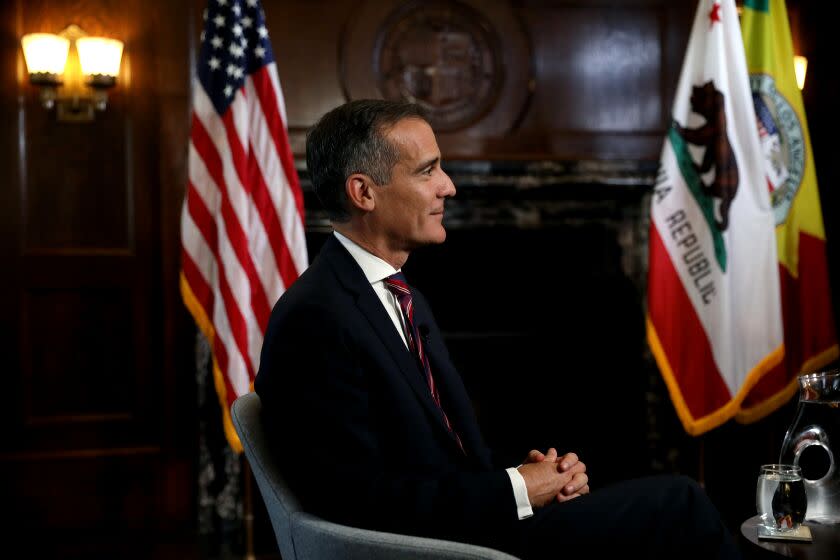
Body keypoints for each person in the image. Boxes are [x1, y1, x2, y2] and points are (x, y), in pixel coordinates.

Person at [255, 99, 741, 559]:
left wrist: (538, 481)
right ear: (363, 192)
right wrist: (517, 490)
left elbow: (451, 455)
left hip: (479, 526)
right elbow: (356, 499)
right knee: (679, 504)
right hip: (439, 551)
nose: (448, 186)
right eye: (428, 171)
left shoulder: (402, 295)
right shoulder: (315, 318)